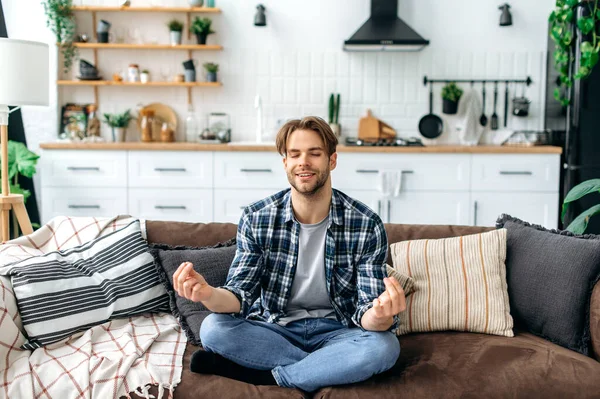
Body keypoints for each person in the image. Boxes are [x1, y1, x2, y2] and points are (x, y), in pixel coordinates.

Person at [173, 116, 406, 393]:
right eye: (294, 154)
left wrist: (381, 316)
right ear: (285, 163)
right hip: (274, 330)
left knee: (384, 346)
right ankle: (322, 369)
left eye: (314, 153)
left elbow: (367, 310)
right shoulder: (257, 218)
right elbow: (240, 295)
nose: (303, 162)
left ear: (332, 160)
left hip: (338, 332)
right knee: (213, 328)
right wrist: (207, 294)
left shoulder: (366, 224)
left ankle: (270, 377)